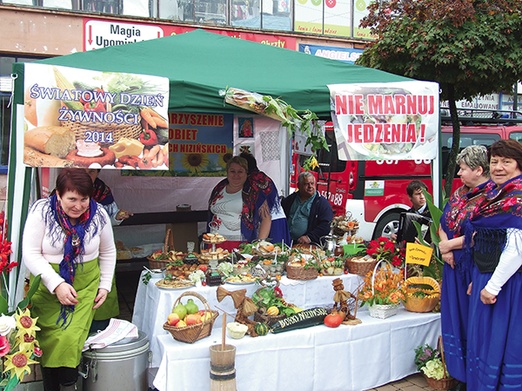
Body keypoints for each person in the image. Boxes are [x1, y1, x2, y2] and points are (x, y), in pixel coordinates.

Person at [22, 168, 116, 391]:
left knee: (70, 338)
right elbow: (31, 253)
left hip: (84, 288)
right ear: (58, 194)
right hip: (47, 287)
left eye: (84, 199)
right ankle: (53, 386)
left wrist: (104, 285)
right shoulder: (42, 211)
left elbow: (108, 251)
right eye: (72, 199)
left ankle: (68, 384)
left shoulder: (99, 214)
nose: (78, 205)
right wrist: (57, 284)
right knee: (48, 341)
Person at [464, 140, 522, 390]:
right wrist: (476, 279)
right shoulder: (497, 194)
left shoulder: (517, 198)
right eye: (495, 162)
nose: (499, 167)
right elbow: (487, 240)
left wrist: (492, 287)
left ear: (518, 165)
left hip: (506, 284)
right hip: (486, 276)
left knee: (498, 341)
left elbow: (516, 249)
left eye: (506, 162)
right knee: (484, 340)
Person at [438, 145, 490, 390]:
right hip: (452, 267)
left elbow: (482, 234)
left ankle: (472, 375)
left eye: (463, 168)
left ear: (479, 170)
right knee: (454, 318)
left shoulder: (491, 197)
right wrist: (444, 246)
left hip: (472, 268)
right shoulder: (459, 194)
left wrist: (449, 245)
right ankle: (457, 373)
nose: (459, 173)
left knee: (472, 322)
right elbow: (442, 221)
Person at [208, 156, 289, 250]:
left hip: (240, 244)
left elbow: (266, 218)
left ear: (246, 173)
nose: (236, 175)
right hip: (215, 242)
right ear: (227, 172)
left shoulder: (253, 192)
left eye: (240, 171)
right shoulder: (219, 188)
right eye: (232, 171)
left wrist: (259, 244)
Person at [85, 169, 132, 330]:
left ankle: (101, 328)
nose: (87, 174)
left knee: (103, 288)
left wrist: (118, 217)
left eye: (91, 172)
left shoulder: (101, 190)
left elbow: (110, 218)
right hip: (72, 254)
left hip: (98, 250)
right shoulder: (64, 187)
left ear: (98, 173)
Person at [239, 152, 291, 245]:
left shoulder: (254, 180)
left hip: (270, 223)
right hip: (277, 219)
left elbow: (265, 212)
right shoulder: (261, 177)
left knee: (268, 253)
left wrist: (260, 241)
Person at [281, 171, 333, 245]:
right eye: (306, 184)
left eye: (312, 183)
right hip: (286, 241)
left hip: (307, 245)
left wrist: (309, 237)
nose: (310, 186)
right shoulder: (290, 199)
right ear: (298, 185)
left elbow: (326, 225)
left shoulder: (322, 203)